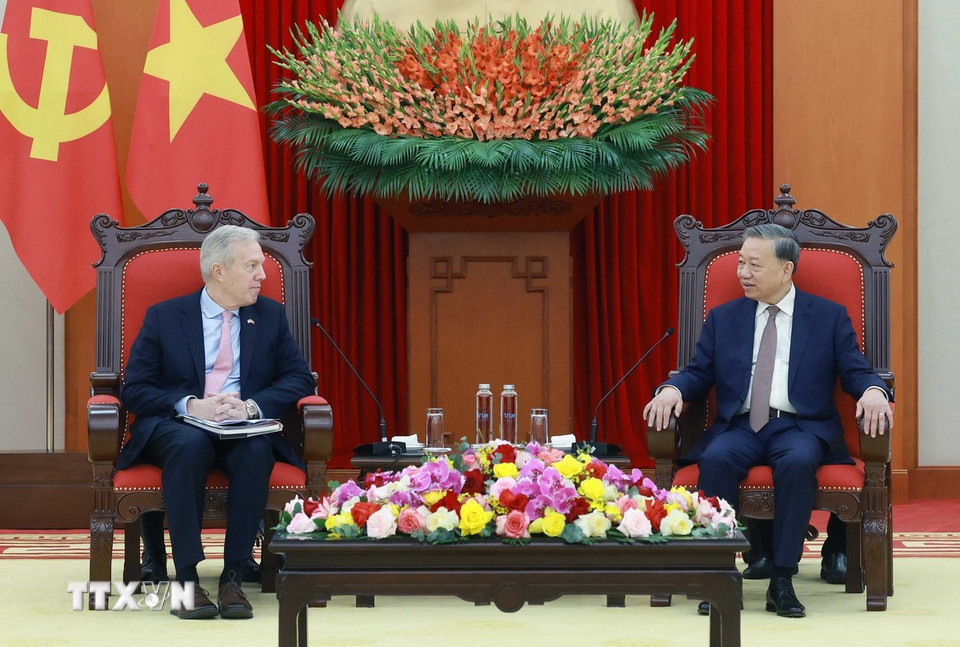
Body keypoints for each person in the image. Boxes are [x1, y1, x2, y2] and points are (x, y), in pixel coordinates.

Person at [643, 223, 893, 618]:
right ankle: (718, 574)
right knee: (716, 459)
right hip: (741, 425)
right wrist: (671, 390)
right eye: (740, 263)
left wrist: (874, 391)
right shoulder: (724, 318)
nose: (743, 273)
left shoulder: (827, 317)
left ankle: (782, 579)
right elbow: (698, 373)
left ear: (786, 269)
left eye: (754, 265)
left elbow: (855, 370)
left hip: (800, 425)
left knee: (797, 462)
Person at [118, 225, 315, 619]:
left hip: (241, 426)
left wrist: (252, 407)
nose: (262, 275)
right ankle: (188, 581)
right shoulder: (165, 317)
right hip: (178, 425)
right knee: (189, 445)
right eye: (252, 266)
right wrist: (190, 405)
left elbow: (299, 378)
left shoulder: (269, 316)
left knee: (256, 451)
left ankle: (233, 578)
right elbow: (135, 389)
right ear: (218, 271)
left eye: (261, 265)